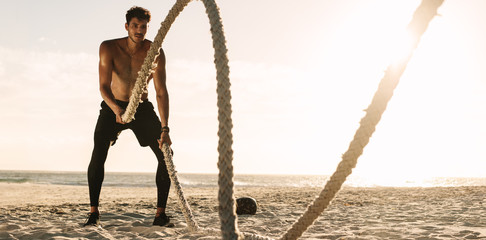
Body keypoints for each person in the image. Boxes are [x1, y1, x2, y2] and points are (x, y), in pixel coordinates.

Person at [84, 6, 172, 227]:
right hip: (113, 105)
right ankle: (94, 212)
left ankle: (160, 214)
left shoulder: (155, 52)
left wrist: (165, 129)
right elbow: (103, 87)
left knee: (166, 155)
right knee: (98, 152)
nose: (139, 31)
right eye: (135, 26)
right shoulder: (109, 48)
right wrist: (116, 109)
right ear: (127, 26)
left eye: (143, 27)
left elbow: (161, 92)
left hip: (141, 108)